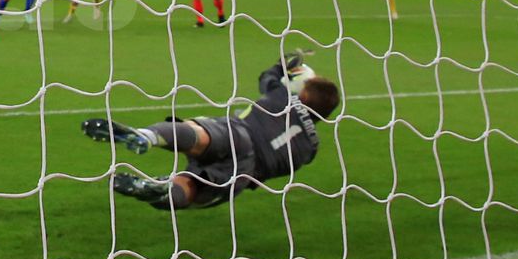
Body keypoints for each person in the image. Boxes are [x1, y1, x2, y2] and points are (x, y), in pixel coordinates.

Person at [81, 51, 340, 210]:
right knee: (192, 186)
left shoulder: (284, 97)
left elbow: (266, 79)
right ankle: (162, 189)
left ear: (303, 95)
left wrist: (280, 67)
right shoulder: (310, 149)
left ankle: (147, 136)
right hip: (246, 173)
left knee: (199, 134)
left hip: (240, 134)